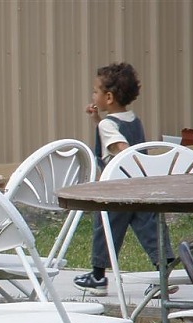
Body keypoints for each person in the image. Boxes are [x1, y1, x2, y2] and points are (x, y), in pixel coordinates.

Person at [73, 62, 174, 296]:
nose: (93, 95)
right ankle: (164, 272)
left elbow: (119, 145)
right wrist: (97, 120)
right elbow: (113, 133)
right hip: (140, 188)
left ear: (108, 97)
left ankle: (98, 277)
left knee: (105, 228)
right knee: (150, 229)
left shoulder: (109, 125)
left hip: (116, 189)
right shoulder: (133, 120)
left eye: (95, 91)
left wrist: (121, 150)